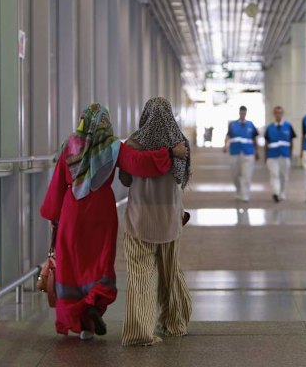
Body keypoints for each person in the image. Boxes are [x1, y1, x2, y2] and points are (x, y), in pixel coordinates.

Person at [40, 103, 188, 341]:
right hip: (100, 210)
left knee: (72, 264)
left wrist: (54, 216)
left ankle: (79, 321)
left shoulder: (70, 145)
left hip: (71, 210)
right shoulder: (112, 146)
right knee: (100, 260)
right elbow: (139, 163)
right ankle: (93, 303)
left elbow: (58, 182)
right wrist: (169, 154)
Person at [120, 97, 192, 347]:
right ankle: (175, 322)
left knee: (140, 276)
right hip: (169, 217)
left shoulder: (133, 143)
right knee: (170, 273)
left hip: (140, 217)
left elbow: (126, 180)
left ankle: (139, 332)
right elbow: (182, 180)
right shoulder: (181, 143)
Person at [223, 105, 259, 202]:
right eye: (241, 113)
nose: (243, 114)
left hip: (248, 152)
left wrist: (257, 151)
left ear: (246, 113)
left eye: (244, 113)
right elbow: (228, 136)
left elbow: (255, 139)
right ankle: (239, 190)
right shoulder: (233, 124)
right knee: (235, 174)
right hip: (235, 152)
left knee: (246, 175)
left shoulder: (251, 125)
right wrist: (225, 145)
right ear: (239, 113)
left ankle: (245, 194)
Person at [264, 106, 296, 202]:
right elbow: (266, 142)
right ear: (274, 114)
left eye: (280, 113)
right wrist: (265, 156)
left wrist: (291, 154)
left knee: (284, 176)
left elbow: (291, 142)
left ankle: (282, 192)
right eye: (276, 113)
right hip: (272, 155)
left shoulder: (288, 126)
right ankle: (276, 192)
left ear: (282, 114)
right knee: (274, 174)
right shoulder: (269, 127)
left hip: (285, 154)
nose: (278, 115)